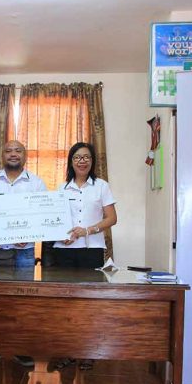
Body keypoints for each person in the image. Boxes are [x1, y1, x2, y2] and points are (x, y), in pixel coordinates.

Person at [0, 140, 47, 367]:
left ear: (25, 155)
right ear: (2, 155)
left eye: (18, 151)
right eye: (8, 151)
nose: (13, 154)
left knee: (23, 301)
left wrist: (30, 233)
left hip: (25, 252)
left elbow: (43, 217)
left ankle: (21, 349)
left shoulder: (36, 183)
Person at [53, 142, 117, 371]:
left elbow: (111, 218)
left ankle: (88, 352)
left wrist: (88, 230)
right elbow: (55, 221)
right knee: (65, 304)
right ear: (71, 161)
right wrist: (62, 235)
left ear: (92, 161)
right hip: (63, 252)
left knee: (89, 301)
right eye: (78, 157)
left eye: (87, 157)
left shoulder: (101, 186)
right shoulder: (61, 189)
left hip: (92, 251)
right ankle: (68, 351)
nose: (82, 161)